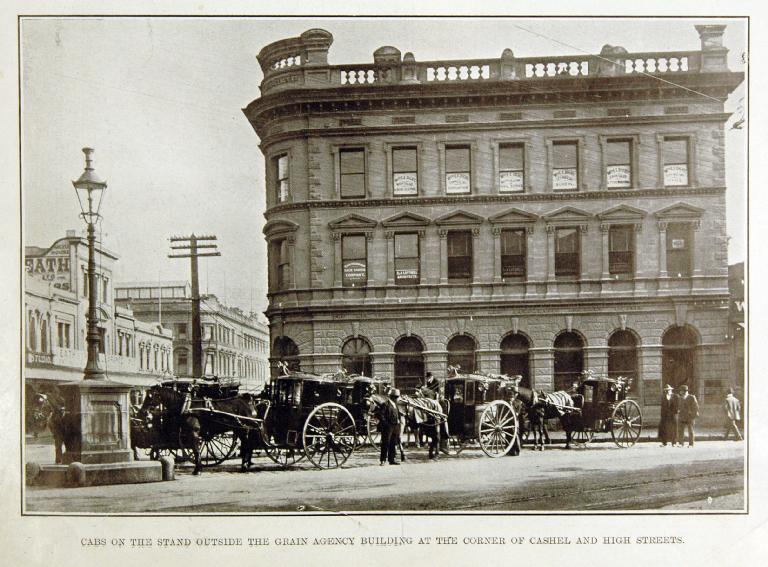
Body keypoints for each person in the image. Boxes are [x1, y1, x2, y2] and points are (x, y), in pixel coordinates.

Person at [378, 388, 402, 465]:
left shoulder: (395, 405)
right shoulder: (385, 404)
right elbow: (381, 416)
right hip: (388, 427)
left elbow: (397, 414)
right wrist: (386, 424)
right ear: (393, 397)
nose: (398, 399)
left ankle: (391, 459)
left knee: (393, 443)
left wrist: (398, 421)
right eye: (397, 397)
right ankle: (383, 460)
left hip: (395, 426)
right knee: (385, 443)